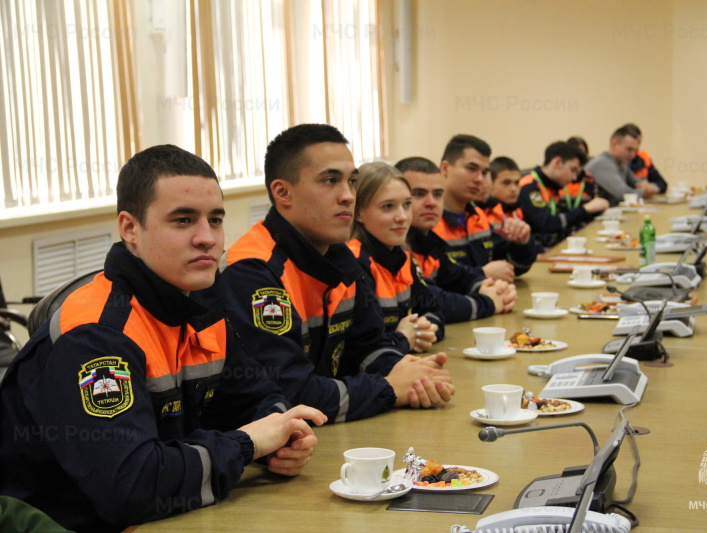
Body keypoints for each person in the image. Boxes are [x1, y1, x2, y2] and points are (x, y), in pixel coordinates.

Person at [0, 145, 326, 532]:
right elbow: (133, 488)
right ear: (130, 229)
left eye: (216, 219)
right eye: (184, 220)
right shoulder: (95, 335)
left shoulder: (199, 303)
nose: (207, 238)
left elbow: (254, 400)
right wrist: (247, 445)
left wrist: (280, 435)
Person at [215, 124, 454, 424]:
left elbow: (368, 348)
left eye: (352, 181)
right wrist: (390, 387)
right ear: (283, 192)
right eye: (330, 180)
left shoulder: (339, 256)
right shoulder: (252, 270)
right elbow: (293, 394)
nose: (348, 196)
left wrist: (412, 376)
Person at [396, 157, 517, 324]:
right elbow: (433, 300)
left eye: (438, 194)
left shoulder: (430, 241)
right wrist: (490, 303)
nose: (431, 203)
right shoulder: (395, 248)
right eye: (418, 194)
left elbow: (458, 277)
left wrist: (493, 289)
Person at [347, 162, 444, 350]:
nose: (402, 217)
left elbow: (433, 310)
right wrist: (403, 338)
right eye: (388, 207)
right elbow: (363, 349)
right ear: (358, 213)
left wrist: (422, 331)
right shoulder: (354, 262)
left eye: (407, 204)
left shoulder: (404, 255)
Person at [434, 134, 540, 282]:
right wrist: (482, 274)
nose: (479, 179)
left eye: (484, 172)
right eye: (471, 168)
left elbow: (513, 268)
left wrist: (520, 243)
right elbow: (431, 286)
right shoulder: (429, 219)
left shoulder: (477, 216)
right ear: (445, 168)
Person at [518, 141, 610, 248]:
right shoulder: (529, 187)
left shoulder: (552, 186)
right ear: (557, 163)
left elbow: (566, 218)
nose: (574, 178)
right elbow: (547, 224)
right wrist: (586, 209)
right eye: (573, 170)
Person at [584, 125, 658, 205]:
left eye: (635, 151)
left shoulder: (621, 163)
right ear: (614, 144)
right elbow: (624, 195)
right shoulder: (602, 163)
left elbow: (637, 183)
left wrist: (647, 187)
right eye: (629, 149)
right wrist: (644, 191)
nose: (633, 155)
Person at [623, 123, 669, 194]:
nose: (636, 146)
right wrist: (639, 188)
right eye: (629, 148)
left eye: (638, 143)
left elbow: (662, 184)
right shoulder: (615, 161)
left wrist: (651, 187)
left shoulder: (643, 158)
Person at [486, 156, 524, 226]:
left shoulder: (519, 210)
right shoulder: (482, 214)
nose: (513, 189)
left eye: (516, 183)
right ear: (490, 183)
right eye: (506, 183)